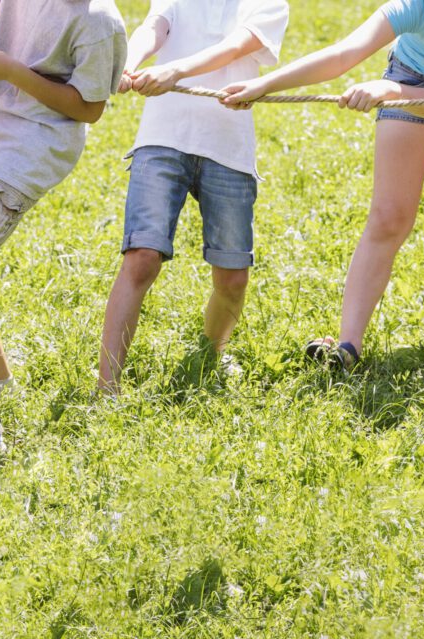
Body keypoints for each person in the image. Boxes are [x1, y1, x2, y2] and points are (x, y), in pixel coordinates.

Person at [222, 0, 424, 368]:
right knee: (390, 215)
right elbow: (344, 53)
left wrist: (387, 91)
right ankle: (348, 345)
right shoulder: (414, 6)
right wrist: (262, 84)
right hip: (408, 78)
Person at [0, 0, 127, 451]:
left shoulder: (98, 22)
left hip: (35, 144)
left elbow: (88, 108)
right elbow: (3, 17)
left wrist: (12, 72)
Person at [96, 0, 289, 394]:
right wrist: (129, 61)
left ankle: (211, 354)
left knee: (233, 278)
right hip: (163, 137)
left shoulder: (270, 4)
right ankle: (106, 388)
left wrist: (175, 70)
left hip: (229, 148)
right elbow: (156, 25)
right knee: (141, 258)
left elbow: (238, 44)